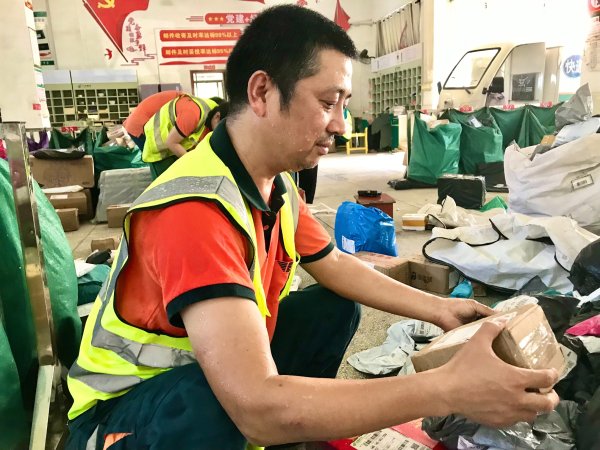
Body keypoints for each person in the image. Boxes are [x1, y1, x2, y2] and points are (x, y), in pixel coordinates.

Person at [66, 5, 559, 449]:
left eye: (343, 104)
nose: (341, 124)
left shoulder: (275, 185)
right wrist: (445, 389)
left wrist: (441, 309)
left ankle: (294, 429)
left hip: (206, 374)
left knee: (333, 307)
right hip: (125, 415)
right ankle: (283, 420)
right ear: (262, 92)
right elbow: (254, 408)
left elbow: (335, 264)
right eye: (328, 102)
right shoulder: (194, 211)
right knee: (224, 404)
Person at [141, 94, 220, 179]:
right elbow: (171, 142)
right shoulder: (192, 114)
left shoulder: (213, 109)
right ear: (217, 117)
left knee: (181, 180)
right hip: (158, 143)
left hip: (176, 141)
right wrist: (194, 163)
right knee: (165, 183)